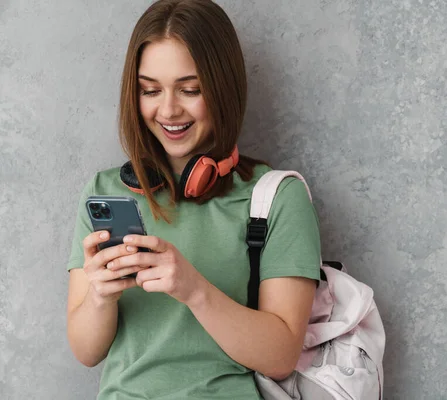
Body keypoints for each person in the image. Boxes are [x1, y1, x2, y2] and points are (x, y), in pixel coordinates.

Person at [65, 1, 322, 398]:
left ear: (223, 87)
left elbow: (281, 355)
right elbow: (86, 351)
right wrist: (101, 296)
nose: (167, 110)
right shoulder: (105, 192)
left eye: (190, 89)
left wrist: (193, 289)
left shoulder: (276, 197)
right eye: (150, 90)